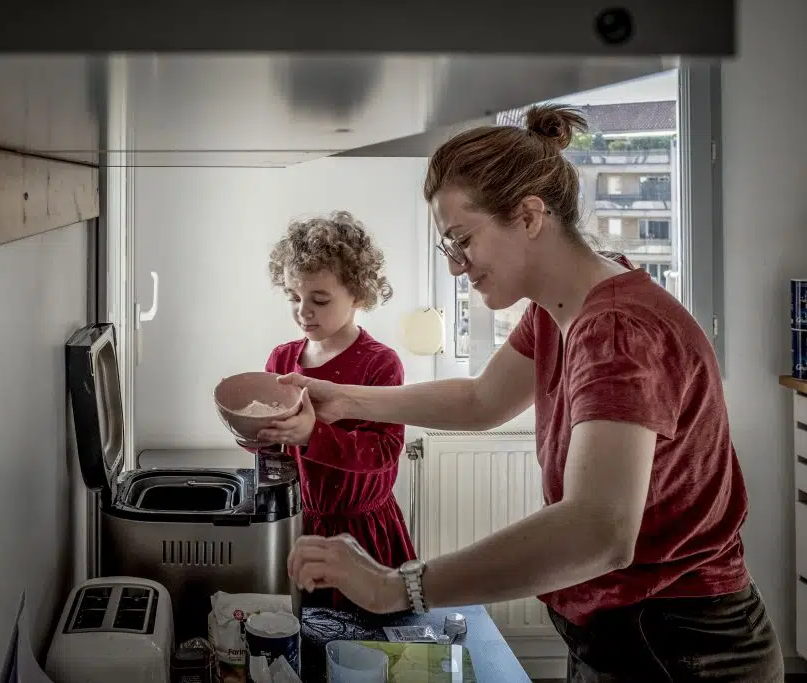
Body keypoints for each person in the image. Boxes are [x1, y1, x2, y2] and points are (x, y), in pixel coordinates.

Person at [283, 106, 784, 681]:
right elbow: (482, 401)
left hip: (680, 644)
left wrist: (397, 586)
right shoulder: (562, 308)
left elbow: (598, 531)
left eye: (461, 240)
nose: (455, 267)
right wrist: (344, 400)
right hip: (627, 628)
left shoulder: (616, 329)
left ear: (527, 216)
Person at [247, 210, 417, 611]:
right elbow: (273, 452)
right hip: (298, 523)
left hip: (363, 532)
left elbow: (383, 452)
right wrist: (256, 434)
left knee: (368, 642)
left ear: (358, 295)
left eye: (319, 300)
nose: (303, 311)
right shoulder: (283, 358)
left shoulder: (380, 363)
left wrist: (312, 435)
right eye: (294, 297)